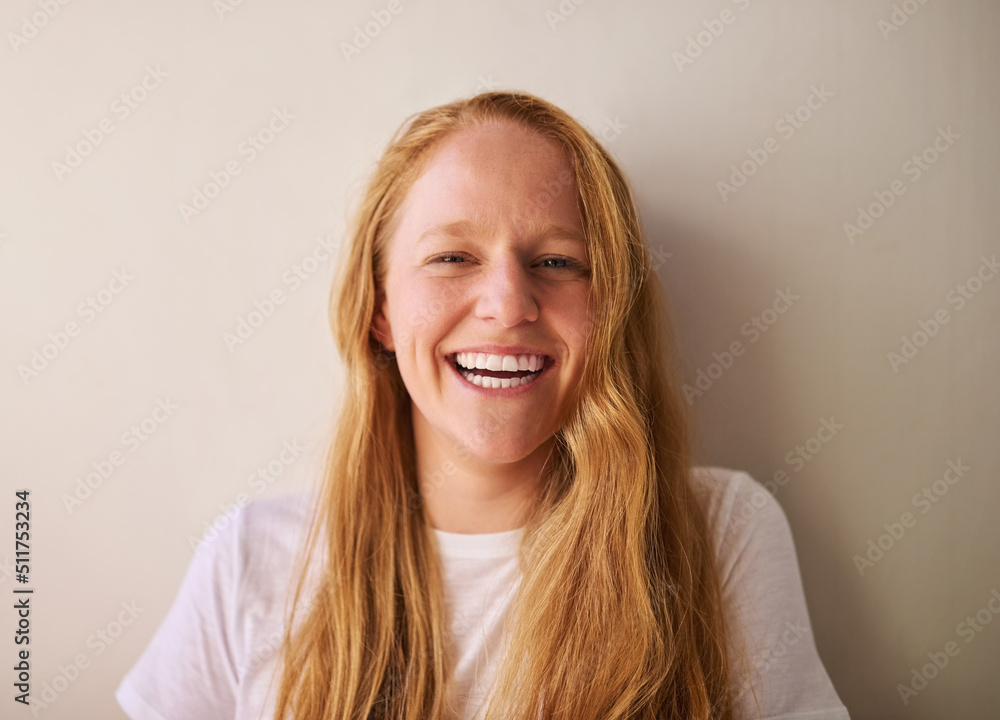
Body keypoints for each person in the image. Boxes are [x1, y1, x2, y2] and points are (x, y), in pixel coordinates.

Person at [115, 90, 851, 720]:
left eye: (558, 262)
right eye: (452, 258)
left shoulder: (721, 536)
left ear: (611, 310)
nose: (507, 305)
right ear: (379, 309)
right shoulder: (249, 561)